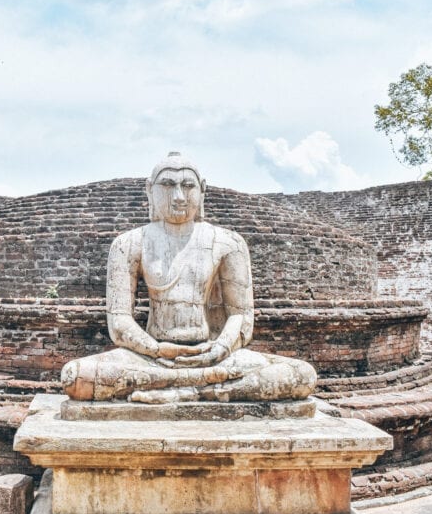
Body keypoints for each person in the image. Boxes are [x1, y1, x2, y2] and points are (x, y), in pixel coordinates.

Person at [61, 152, 317, 403]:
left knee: (302, 376)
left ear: (202, 190)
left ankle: (193, 393)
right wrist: (156, 350)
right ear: (150, 190)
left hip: (213, 355)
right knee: (75, 377)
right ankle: (208, 389)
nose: (179, 196)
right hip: (149, 358)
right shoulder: (128, 244)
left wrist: (218, 350)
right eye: (168, 185)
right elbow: (119, 322)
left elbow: (241, 317)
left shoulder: (228, 243)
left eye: (187, 186)